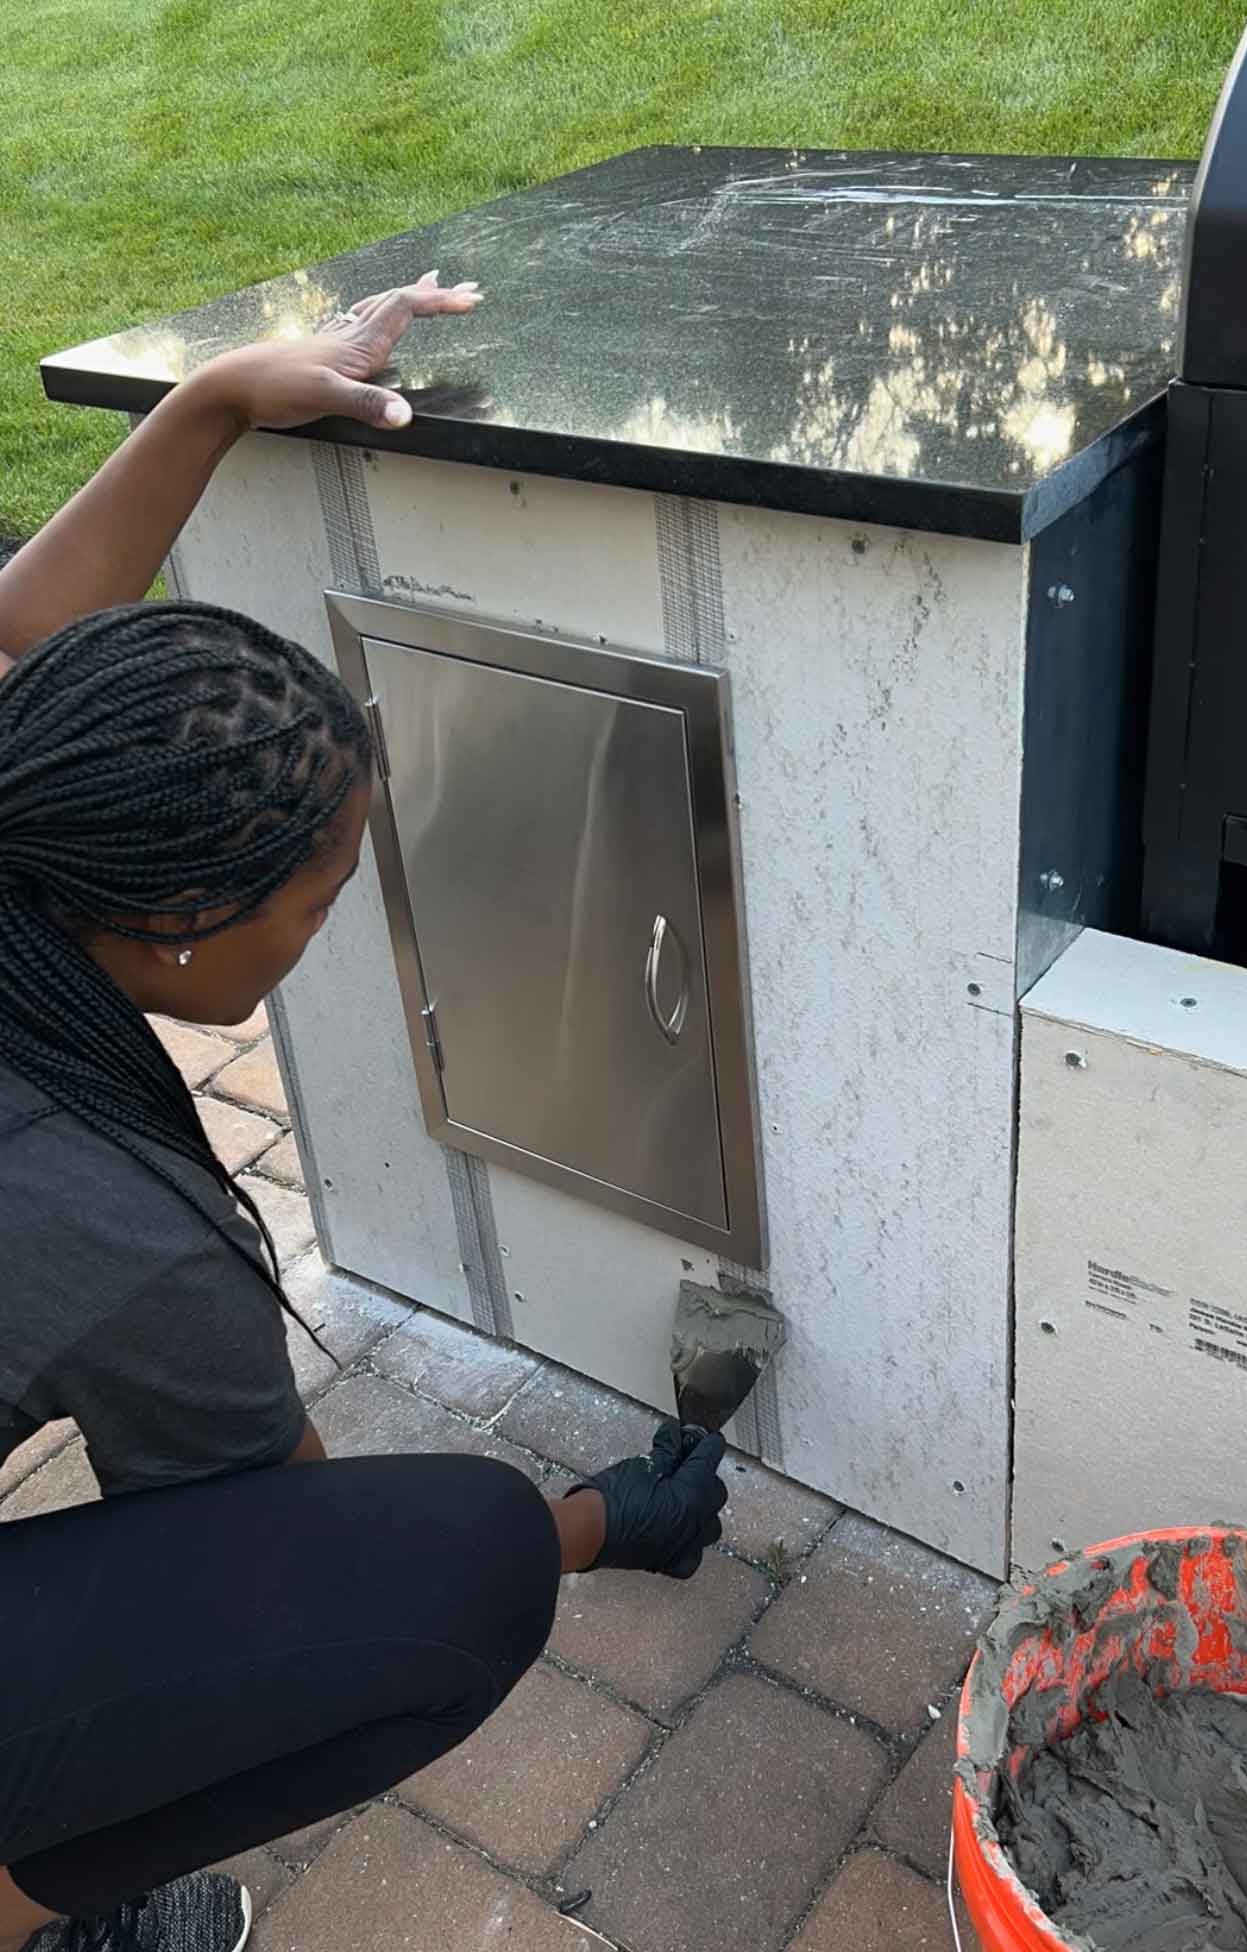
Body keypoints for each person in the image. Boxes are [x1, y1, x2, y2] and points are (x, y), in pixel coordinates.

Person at [0, 275, 728, 1952]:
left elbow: (39, 623)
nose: (341, 917)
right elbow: (298, 1563)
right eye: (320, 903)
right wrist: (607, 1520)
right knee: (460, 1565)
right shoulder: (118, 1229)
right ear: (179, 913)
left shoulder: (27, 801)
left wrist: (222, 396)